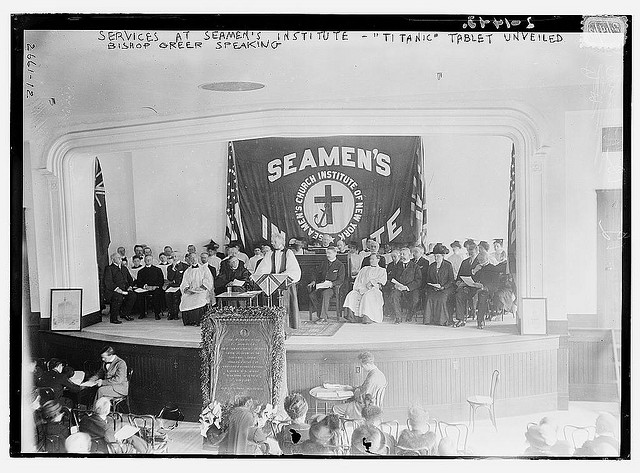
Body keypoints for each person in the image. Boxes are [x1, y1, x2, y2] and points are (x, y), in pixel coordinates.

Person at [254, 232, 302, 330]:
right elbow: (264, 267)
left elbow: (293, 269)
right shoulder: (269, 253)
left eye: (274, 241)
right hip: (272, 284)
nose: (272, 243)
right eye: (272, 241)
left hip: (285, 285)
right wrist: (264, 275)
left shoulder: (288, 253)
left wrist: (280, 276)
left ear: (281, 241)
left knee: (285, 305)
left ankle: (285, 327)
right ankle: (273, 326)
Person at [79, 397, 150, 454]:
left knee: (130, 437)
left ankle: (147, 449)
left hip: (91, 445)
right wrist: (122, 444)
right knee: (131, 439)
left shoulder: (84, 420)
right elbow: (115, 448)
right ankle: (147, 451)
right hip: (105, 448)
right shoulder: (106, 429)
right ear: (107, 411)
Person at [333, 352, 386, 419]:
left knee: (335, 408)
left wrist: (354, 391)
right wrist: (352, 388)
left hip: (364, 407)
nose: (362, 367)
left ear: (367, 364)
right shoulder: (379, 373)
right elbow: (365, 389)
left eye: (362, 366)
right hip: (374, 406)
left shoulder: (372, 377)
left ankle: (339, 429)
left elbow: (364, 396)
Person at [343, 253, 387, 324]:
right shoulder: (364, 269)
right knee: (352, 294)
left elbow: (382, 281)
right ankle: (353, 318)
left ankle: (367, 318)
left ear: (378, 260)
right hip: (362, 288)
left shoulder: (382, 270)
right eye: (370, 259)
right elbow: (358, 281)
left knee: (367, 296)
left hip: (374, 290)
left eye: (373, 259)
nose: (371, 261)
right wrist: (359, 288)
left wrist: (372, 282)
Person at [308, 246, 346, 324]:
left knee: (325, 294)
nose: (327, 255)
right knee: (312, 295)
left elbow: (341, 280)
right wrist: (313, 281)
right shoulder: (324, 263)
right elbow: (315, 273)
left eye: (329, 253)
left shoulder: (340, 265)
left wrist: (332, 283)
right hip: (322, 286)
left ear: (335, 253)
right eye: (327, 253)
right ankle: (322, 313)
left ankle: (322, 317)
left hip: (332, 288)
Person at [424, 243, 456, 326]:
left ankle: (442, 321)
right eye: (434, 256)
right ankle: (430, 320)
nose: (435, 258)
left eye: (437, 256)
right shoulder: (431, 266)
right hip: (434, 288)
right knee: (429, 298)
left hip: (446, 288)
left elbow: (451, 280)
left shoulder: (448, 265)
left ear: (442, 256)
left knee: (442, 298)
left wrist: (443, 287)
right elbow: (428, 280)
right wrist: (433, 286)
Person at [388, 247, 422, 324]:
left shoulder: (415, 266)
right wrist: (395, 285)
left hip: (411, 289)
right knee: (394, 295)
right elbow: (391, 278)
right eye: (401, 254)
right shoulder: (396, 266)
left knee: (415, 299)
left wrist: (407, 287)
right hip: (399, 288)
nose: (402, 256)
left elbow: (418, 281)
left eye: (404, 254)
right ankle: (398, 317)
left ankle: (410, 314)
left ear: (410, 255)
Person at [179, 252, 214, 326]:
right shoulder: (187, 271)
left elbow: (208, 281)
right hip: (191, 291)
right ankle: (189, 321)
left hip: (201, 291)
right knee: (185, 299)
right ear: (189, 260)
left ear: (197, 258)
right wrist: (187, 289)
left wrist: (200, 288)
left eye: (195, 258)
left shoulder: (204, 269)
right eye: (191, 258)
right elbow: (184, 282)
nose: (193, 260)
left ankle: (198, 321)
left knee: (198, 300)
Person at [103, 253, 137, 323]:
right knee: (117, 297)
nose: (120, 259)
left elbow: (130, 279)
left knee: (133, 295)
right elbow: (108, 282)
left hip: (124, 289)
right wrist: (117, 289)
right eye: (118, 258)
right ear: (113, 260)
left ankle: (125, 314)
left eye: (120, 258)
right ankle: (113, 318)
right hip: (113, 290)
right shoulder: (109, 268)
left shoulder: (124, 268)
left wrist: (130, 286)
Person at [454, 242, 481, 327]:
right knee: (459, 295)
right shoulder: (464, 262)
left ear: (477, 251)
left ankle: (474, 315)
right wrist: (458, 282)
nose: (470, 253)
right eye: (469, 251)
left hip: (476, 288)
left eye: (472, 252)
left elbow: (482, 276)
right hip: (465, 286)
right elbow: (459, 276)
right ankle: (460, 319)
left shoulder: (480, 261)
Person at [135, 254, 165, 320]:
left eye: (150, 259)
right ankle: (142, 313)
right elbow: (139, 282)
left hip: (155, 288)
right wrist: (145, 286)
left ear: (152, 260)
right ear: (144, 260)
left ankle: (157, 313)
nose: (148, 260)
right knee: (140, 295)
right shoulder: (141, 271)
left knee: (157, 294)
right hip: (145, 289)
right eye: (147, 259)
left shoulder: (158, 270)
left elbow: (161, 281)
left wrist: (155, 286)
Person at [166, 252, 189, 320]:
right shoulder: (169, 267)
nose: (174, 258)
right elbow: (170, 278)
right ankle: (171, 312)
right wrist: (173, 268)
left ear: (179, 257)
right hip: (173, 285)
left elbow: (186, 278)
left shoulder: (185, 266)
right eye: (172, 257)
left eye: (175, 256)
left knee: (176, 295)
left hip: (181, 285)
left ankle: (175, 313)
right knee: (168, 294)